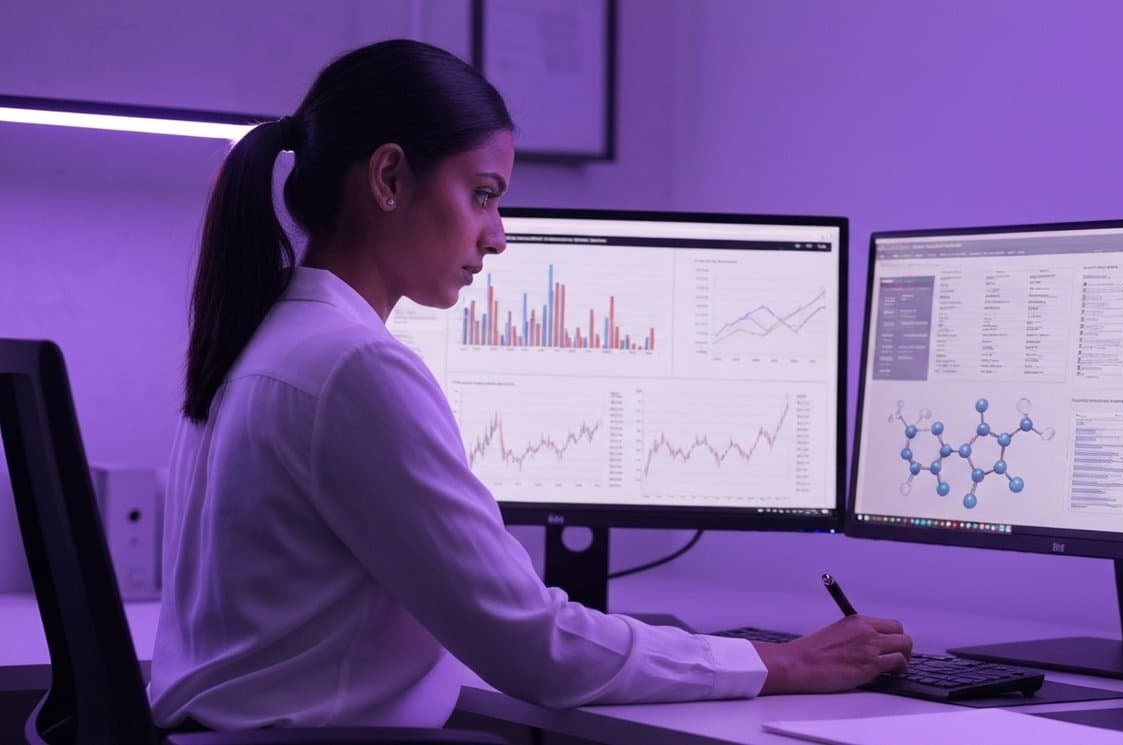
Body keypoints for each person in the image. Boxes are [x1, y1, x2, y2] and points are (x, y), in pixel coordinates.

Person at [148, 39, 913, 731]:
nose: (499, 233)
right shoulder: (352, 367)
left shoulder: (266, 335)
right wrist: (778, 662)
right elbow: (535, 648)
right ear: (388, 177)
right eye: (483, 193)